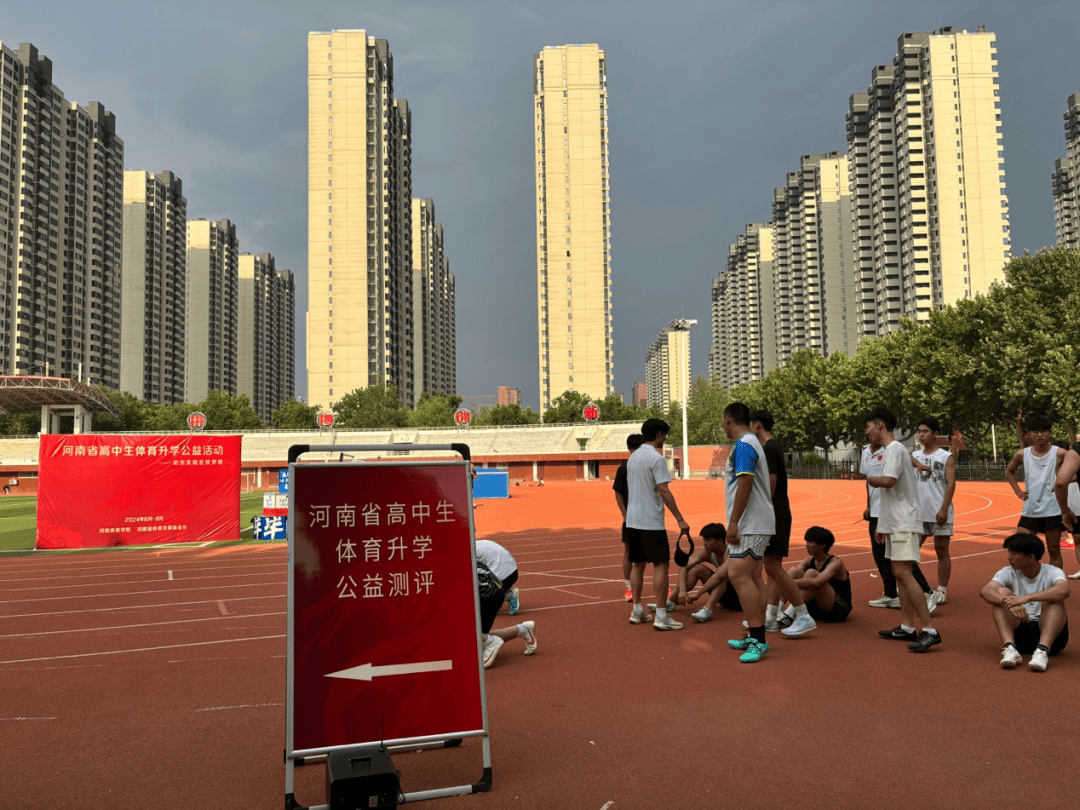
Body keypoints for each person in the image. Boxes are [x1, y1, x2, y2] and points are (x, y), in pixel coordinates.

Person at [864, 407, 941, 653]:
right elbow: (892, 492)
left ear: (879, 425)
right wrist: (883, 525)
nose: (867, 433)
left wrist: (869, 478)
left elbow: (888, 482)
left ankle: (929, 629)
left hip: (903, 520)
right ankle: (908, 625)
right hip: (895, 521)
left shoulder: (895, 449)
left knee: (903, 572)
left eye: (868, 428)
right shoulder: (893, 450)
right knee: (900, 573)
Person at [749, 410, 816, 637]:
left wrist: (759, 510)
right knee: (771, 567)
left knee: (774, 568)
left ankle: (803, 615)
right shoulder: (772, 447)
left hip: (774, 514)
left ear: (757, 425)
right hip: (777, 513)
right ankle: (769, 617)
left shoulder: (768, 449)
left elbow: (771, 482)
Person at [722, 403, 776, 663]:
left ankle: (757, 638)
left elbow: (745, 482)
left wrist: (734, 523)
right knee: (754, 576)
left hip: (750, 523)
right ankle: (757, 635)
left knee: (738, 573)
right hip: (757, 521)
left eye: (723, 421)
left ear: (728, 419)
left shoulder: (744, 444)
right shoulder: (751, 443)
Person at [625, 418, 690, 630]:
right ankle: (661, 615)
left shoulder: (633, 457)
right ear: (659, 434)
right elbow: (664, 490)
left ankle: (637, 610)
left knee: (637, 565)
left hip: (632, 520)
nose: (666, 438)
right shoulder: (656, 459)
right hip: (651, 521)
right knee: (661, 564)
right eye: (665, 434)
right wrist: (680, 518)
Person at [864, 439, 938, 612]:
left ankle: (927, 592)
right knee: (881, 556)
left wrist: (918, 464)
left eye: (869, 427)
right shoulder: (866, 453)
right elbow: (867, 483)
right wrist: (869, 505)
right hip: (878, 510)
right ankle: (891, 594)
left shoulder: (891, 449)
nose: (867, 432)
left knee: (902, 560)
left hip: (893, 511)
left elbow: (903, 460)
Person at [979, 532, 1070, 671]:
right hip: (1020, 634)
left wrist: (1027, 598)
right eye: (1009, 552)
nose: (1009, 557)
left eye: (1014, 553)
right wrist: (1007, 602)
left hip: (1052, 637)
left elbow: (1064, 590)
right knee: (1001, 594)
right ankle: (1010, 648)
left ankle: (1042, 651)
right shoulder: (1008, 571)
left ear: (1030, 557)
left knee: (1054, 597)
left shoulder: (1052, 572)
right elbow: (985, 591)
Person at [1005, 415, 1067, 569]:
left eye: (1044, 431)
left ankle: (1056, 584)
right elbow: (1009, 471)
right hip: (1030, 509)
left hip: (1052, 509)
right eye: (1036, 431)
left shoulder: (1059, 453)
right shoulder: (1022, 454)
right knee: (1019, 548)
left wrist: (1062, 482)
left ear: (1050, 433)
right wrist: (1018, 491)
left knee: (1053, 550)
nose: (1040, 435)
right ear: (1029, 434)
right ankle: (1028, 582)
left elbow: (1076, 469)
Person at [912, 417, 957, 606]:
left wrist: (944, 509)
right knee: (911, 552)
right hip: (919, 513)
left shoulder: (945, 456)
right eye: (919, 431)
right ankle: (916, 586)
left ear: (935, 434)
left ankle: (942, 590)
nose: (921, 434)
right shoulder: (914, 456)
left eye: (925, 431)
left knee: (941, 550)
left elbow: (951, 484)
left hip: (939, 510)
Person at [475, 539, 537, 668]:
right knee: (479, 636)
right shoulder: (470, 546)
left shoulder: (462, 554)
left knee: (476, 637)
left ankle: (491, 642)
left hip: (500, 578)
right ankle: (523, 629)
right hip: (508, 570)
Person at [671, 522, 743, 623]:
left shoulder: (732, 553)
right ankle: (670, 601)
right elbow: (683, 568)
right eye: (704, 540)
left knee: (721, 575)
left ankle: (708, 609)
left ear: (720, 541)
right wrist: (682, 590)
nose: (705, 543)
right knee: (696, 569)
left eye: (708, 540)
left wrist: (698, 594)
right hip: (725, 599)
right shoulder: (706, 551)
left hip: (740, 600)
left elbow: (719, 576)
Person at [782, 526, 852, 625]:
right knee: (794, 571)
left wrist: (785, 582)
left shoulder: (835, 562)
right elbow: (795, 574)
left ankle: (788, 614)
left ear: (822, 545)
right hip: (816, 607)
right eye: (806, 541)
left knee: (812, 574)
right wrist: (786, 581)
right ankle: (775, 612)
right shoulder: (810, 559)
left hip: (837, 610)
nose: (806, 545)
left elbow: (816, 582)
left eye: (810, 542)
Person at [613, 433, 646, 601]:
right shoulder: (624, 468)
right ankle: (628, 586)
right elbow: (617, 492)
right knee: (628, 552)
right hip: (632, 517)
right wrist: (625, 514)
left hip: (648, 516)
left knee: (653, 552)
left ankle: (661, 585)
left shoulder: (647, 465)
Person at [1053, 439, 1080, 579]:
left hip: (1074, 506)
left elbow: (1061, 482)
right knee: (1077, 538)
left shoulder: (1075, 457)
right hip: (1075, 506)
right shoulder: (1068, 465)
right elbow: (1063, 480)